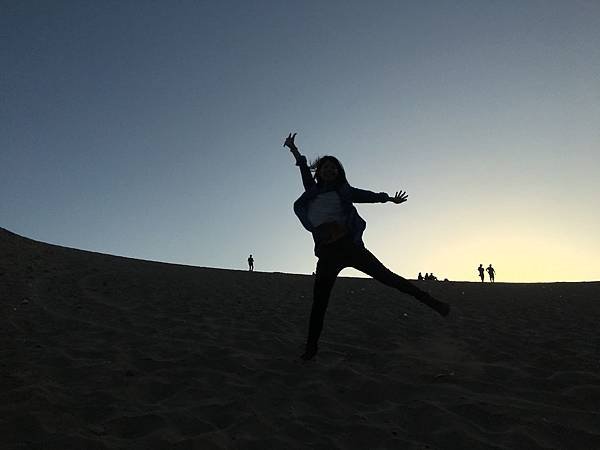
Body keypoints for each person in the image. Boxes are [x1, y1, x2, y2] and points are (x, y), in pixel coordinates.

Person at [284, 132, 450, 361]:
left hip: (350, 247)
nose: (329, 170)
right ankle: (311, 349)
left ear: (339, 172)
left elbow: (366, 196)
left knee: (388, 278)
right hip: (328, 253)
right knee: (319, 301)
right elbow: (303, 167)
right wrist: (293, 149)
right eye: (325, 168)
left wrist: (388, 198)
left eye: (334, 168)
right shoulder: (312, 191)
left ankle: (434, 303)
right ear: (319, 172)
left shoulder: (345, 191)